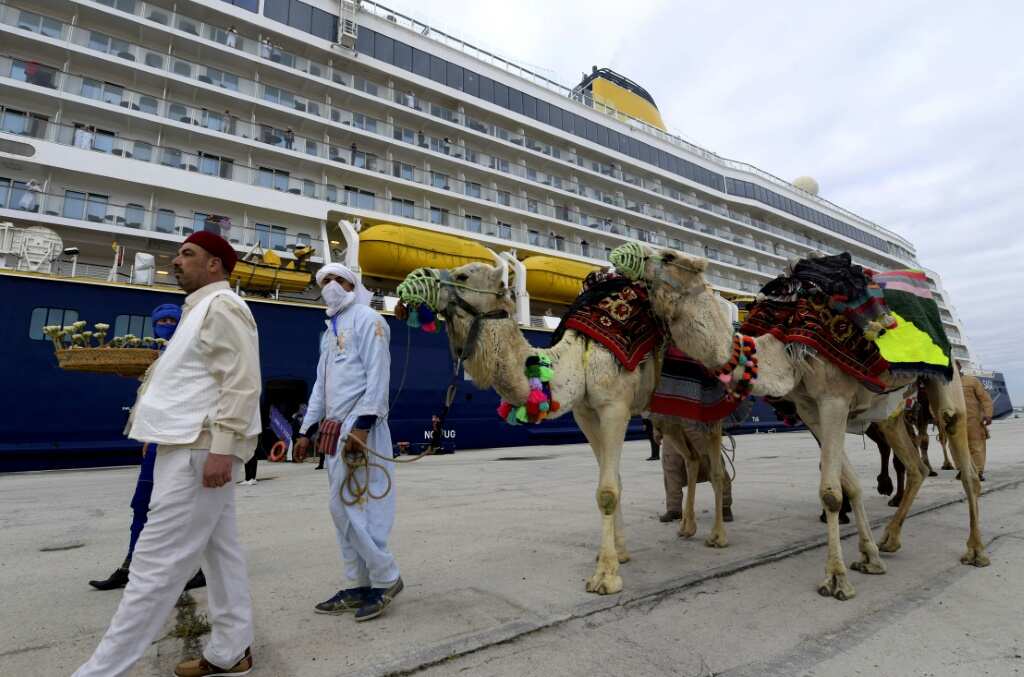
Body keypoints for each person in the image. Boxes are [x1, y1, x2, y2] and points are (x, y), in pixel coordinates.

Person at [73, 231, 261, 677]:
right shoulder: (197, 311)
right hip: (186, 445)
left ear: (214, 264)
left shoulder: (223, 307)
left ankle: (99, 672)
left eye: (187, 254)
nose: (176, 261)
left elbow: (242, 381)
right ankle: (232, 650)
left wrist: (223, 449)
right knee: (222, 555)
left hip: (199, 451)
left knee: (153, 568)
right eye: (178, 254)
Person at [293, 263, 404, 622]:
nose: (331, 286)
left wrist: (364, 425)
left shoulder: (369, 319)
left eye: (338, 279)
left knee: (359, 509)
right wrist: (305, 431)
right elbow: (321, 385)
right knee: (342, 511)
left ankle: (385, 578)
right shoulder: (330, 330)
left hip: (361, 430)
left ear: (353, 284)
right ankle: (358, 584)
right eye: (324, 280)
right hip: (335, 432)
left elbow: (378, 374)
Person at [89, 304, 207, 593]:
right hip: (156, 440)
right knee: (142, 503)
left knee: (183, 508)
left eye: (172, 320)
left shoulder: (193, 354)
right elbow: (151, 398)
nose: (166, 325)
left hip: (183, 440)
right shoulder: (153, 358)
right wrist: (146, 435)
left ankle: (196, 568)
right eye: (161, 321)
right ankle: (132, 565)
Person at [959, 362, 993, 481]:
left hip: (973, 420)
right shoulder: (946, 384)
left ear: (959, 367)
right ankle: (962, 470)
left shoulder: (972, 381)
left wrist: (988, 414)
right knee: (957, 447)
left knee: (976, 446)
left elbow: (985, 399)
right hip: (954, 422)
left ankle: (978, 471)